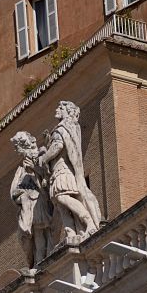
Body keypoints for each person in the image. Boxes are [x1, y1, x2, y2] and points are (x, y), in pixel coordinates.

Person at [38, 101, 101, 242]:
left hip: (64, 170)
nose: (57, 109)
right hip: (56, 171)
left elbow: (58, 146)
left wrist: (44, 158)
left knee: (62, 198)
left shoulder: (62, 128)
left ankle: (88, 221)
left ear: (68, 111)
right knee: (60, 205)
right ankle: (71, 233)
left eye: (60, 108)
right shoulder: (69, 128)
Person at [10, 131, 53, 269]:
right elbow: (14, 189)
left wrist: (34, 169)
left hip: (40, 201)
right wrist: (20, 194)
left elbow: (46, 176)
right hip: (29, 203)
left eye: (18, 148)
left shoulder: (41, 154)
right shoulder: (21, 167)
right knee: (32, 236)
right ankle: (37, 262)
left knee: (43, 234)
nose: (17, 152)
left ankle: (43, 262)